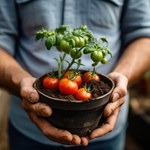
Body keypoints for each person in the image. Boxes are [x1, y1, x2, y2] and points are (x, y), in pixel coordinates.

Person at [0, 0, 150, 150]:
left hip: (103, 121)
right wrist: (21, 82)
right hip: (28, 128)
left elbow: (145, 36)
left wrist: (120, 77)